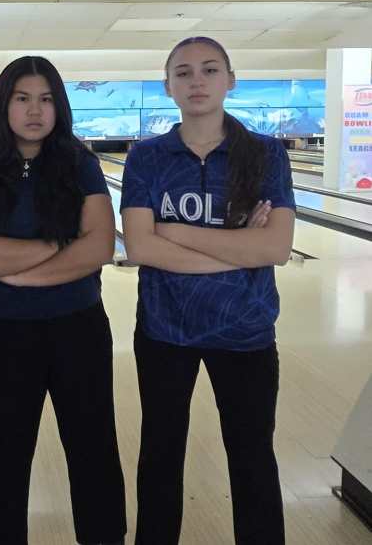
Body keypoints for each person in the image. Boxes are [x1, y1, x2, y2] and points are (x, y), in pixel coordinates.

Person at [120, 36, 296, 545]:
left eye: (210, 69)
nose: (196, 80)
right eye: (184, 72)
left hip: (246, 330)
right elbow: (140, 246)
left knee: (252, 457)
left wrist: (173, 231)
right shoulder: (147, 157)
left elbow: (276, 248)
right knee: (160, 454)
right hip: (165, 330)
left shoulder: (265, 154)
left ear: (230, 80)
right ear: (168, 86)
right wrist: (239, 246)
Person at [0, 56, 127, 545]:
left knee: (93, 448)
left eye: (46, 99)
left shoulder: (82, 165)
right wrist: (60, 245)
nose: (35, 110)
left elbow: (100, 246)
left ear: (60, 107)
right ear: (3, 105)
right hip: (7, 335)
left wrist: (19, 272)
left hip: (80, 329)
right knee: (7, 453)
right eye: (23, 98)